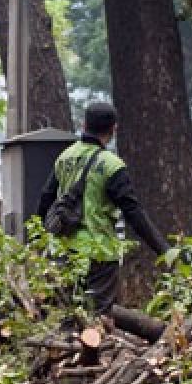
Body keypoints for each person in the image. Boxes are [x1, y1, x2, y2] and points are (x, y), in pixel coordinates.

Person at [38, 102, 170, 312]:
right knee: (96, 316)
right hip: (100, 254)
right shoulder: (112, 165)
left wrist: (38, 239)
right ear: (113, 129)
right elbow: (134, 213)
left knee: (67, 313)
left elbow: (45, 198)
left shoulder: (65, 157)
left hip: (64, 251)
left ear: (84, 124)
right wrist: (163, 250)